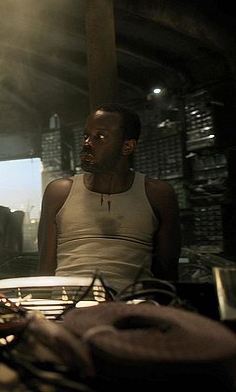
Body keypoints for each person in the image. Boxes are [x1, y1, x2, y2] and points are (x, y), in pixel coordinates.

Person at [36, 103, 181, 293]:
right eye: (86, 136)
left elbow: (167, 276)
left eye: (100, 137)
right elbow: (45, 270)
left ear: (127, 146)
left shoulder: (158, 195)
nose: (87, 143)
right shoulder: (59, 193)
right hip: (67, 304)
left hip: (130, 305)